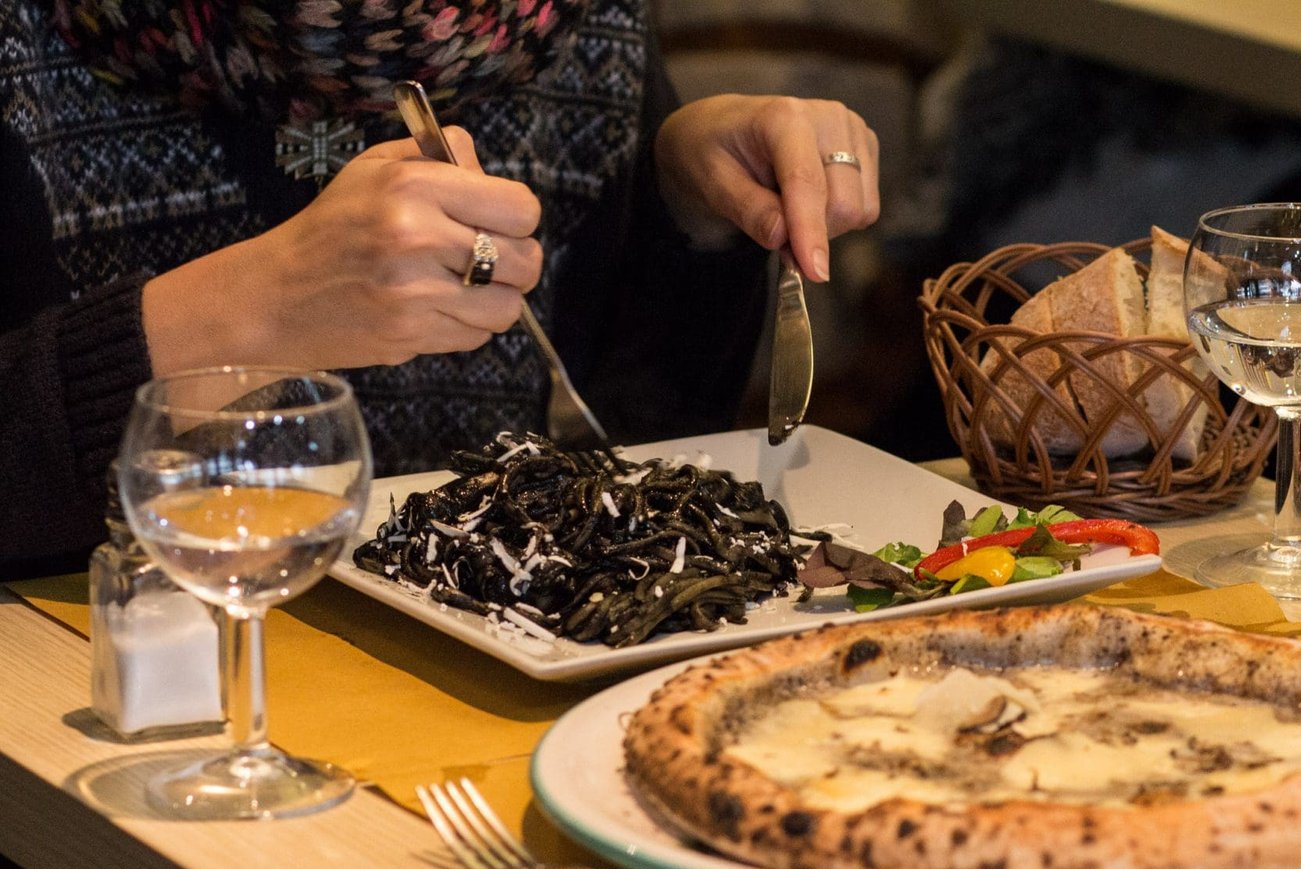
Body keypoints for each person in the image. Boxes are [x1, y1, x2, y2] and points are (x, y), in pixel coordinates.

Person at [0, 0, 880, 578]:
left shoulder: (580, 24)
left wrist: (681, 210)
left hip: (485, 701)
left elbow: (628, 450)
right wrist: (252, 310)